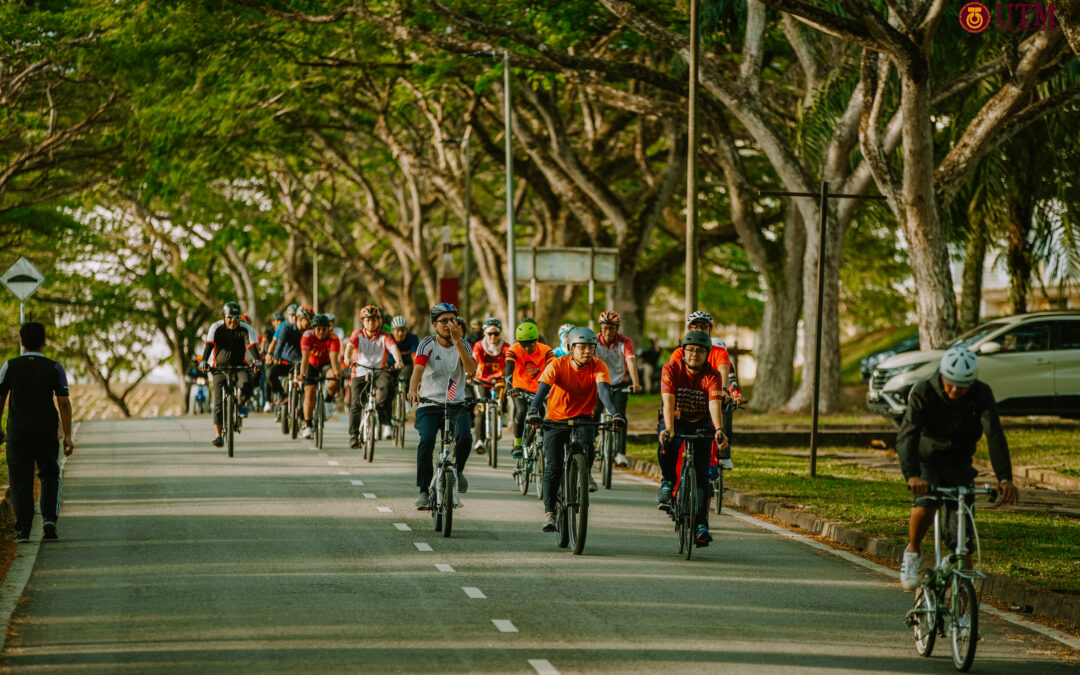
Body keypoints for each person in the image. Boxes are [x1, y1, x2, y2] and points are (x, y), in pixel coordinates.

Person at [896, 346, 1018, 591]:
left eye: (961, 386)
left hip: (960, 464)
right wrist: (912, 476)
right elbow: (907, 435)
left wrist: (1005, 477)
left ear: (971, 382)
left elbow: (994, 434)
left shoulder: (981, 394)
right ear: (942, 375)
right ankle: (912, 552)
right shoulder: (923, 391)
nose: (954, 390)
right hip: (927, 462)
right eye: (950, 383)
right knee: (927, 504)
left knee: (962, 540)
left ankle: (963, 619)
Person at [527, 327, 625, 531]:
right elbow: (542, 389)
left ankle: (585, 472)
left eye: (591, 347)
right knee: (553, 466)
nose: (587, 352)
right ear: (571, 348)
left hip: (583, 416)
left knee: (588, 443)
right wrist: (534, 410)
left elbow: (604, 391)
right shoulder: (557, 364)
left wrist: (615, 414)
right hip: (555, 418)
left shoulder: (598, 366)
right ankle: (550, 513)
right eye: (582, 347)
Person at [0, 322, 74, 543]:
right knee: (50, 474)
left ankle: (23, 529)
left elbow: (0, 399)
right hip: (46, 432)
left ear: (21, 342)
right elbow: (63, 403)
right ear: (44, 342)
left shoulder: (9, 366)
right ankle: (49, 520)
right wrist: (67, 435)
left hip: (18, 433)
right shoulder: (54, 368)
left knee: (20, 480)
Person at [656, 331, 729, 546]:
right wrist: (669, 429)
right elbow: (668, 401)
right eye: (690, 350)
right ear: (683, 351)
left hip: (702, 422)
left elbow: (714, 404)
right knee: (668, 443)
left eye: (700, 350)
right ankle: (668, 481)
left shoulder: (712, 374)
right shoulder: (671, 369)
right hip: (675, 418)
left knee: (702, 477)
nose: (694, 354)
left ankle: (700, 525)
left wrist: (719, 429)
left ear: (707, 354)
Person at [407, 302, 478, 509]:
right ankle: (422, 490)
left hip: (455, 403)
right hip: (430, 403)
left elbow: (472, 370)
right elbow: (417, 370)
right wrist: (413, 390)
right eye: (443, 321)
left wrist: (457, 342)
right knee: (427, 441)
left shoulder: (463, 344)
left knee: (464, 437)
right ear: (434, 325)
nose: (449, 324)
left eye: (452, 320)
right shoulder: (427, 344)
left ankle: (459, 470)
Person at [668, 311, 745, 469]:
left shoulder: (719, 351)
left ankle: (723, 454)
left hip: (711, 398)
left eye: (703, 327)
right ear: (688, 329)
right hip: (686, 400)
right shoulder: (679, 352)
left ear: (710, 330)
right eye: (694, 326)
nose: (699, 330)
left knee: (725, 409)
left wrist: (724, 391)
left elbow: (725, 371)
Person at [199, 302, 261, 447]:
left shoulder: (245, 329)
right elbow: (209, 346)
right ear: (223, 316)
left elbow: (252, 347)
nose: (233, 321)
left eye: (236, 317)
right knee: (218, 402)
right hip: (219, 368)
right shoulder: (216, 328)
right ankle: (218, 435)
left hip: (239, 366)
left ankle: (241, 404)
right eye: (230, 317)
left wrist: (257, 361)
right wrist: (203, 362)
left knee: (246, 383)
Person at [344, 305, 403, 446]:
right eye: (368, 320)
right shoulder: (357, 334)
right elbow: (349, 347)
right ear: (363, 322)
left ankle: (379, 411)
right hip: (359, 371)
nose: (371, 323)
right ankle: (353, 436)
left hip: (379, 371)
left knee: (388, 385)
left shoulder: (385, 336)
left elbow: (393, 348)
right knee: (355, 405)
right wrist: (347, 358)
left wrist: (398, 360)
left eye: (375, 320)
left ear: (379, 321)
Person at [594, 311, 641, 469]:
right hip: (599, 383)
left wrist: (636, 383)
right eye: (605, 328)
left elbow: (631, 363)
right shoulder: (594, 340)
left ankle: (620, 453)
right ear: (600, 328)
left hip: (619, 383)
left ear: (617, 328)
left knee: (620, 416)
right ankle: (592, 441)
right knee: (593, 412)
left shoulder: (625, 342)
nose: (608, 331)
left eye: (612, 328)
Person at [504, 320, 554, 459]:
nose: (526, 349)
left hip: (540, 389)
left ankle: (536, 441)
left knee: (542, 414)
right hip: (519, 388)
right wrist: (510, 388)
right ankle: (517, 444)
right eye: (523, 345)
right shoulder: (513, 349)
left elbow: (553, 370)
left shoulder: (545, 350)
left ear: (536, 340)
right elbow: (508, 371)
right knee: (521, 411)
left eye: (530, 344)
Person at [299, 313, 343, 438]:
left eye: (325, 329)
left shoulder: (333, 337)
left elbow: (333, 358)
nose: (321, 332)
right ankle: (307, 424)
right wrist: (302, 374)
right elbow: (305, 358)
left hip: (326, 364)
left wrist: (336, 372)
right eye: (318, 329)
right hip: (311, 365)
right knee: (309, 392)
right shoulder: (307, 336)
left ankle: (328, 400)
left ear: (329, 328)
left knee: (333, 378)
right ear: (313, 329)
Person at [471, 317, 509, 454]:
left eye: (496, 334)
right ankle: (479, 440)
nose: (493, 337)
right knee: (482, 409)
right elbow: (474, 360)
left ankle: (503, 411)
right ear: (485, 334)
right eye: (490, 334)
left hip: (499, 379)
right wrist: (471, 373)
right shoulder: (479, 346)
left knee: (504, 392)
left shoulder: (506, 347)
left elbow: (511, 362)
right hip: (482, 380)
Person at [269, 306, 312, 413]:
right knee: (270, 372)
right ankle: (281, 394)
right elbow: (280, 344)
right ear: (299, 319)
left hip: (304, 365)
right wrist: (276, 356)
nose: (309, 323)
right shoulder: (286, 328)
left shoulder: (310, 332)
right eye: (307, 320)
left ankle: (305, 409)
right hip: (288, 363)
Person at [387, 314, 420, 413]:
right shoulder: (388, 337)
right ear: (392, 331)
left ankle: (405, 400)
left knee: (406, 379)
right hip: (391, 364)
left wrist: (417, 371)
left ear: (407, 330)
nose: (400, 333)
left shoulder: (412, 338)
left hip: (407, 363)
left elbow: (415, 356)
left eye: (403, 330)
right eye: (397, 330)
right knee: (390, 385)